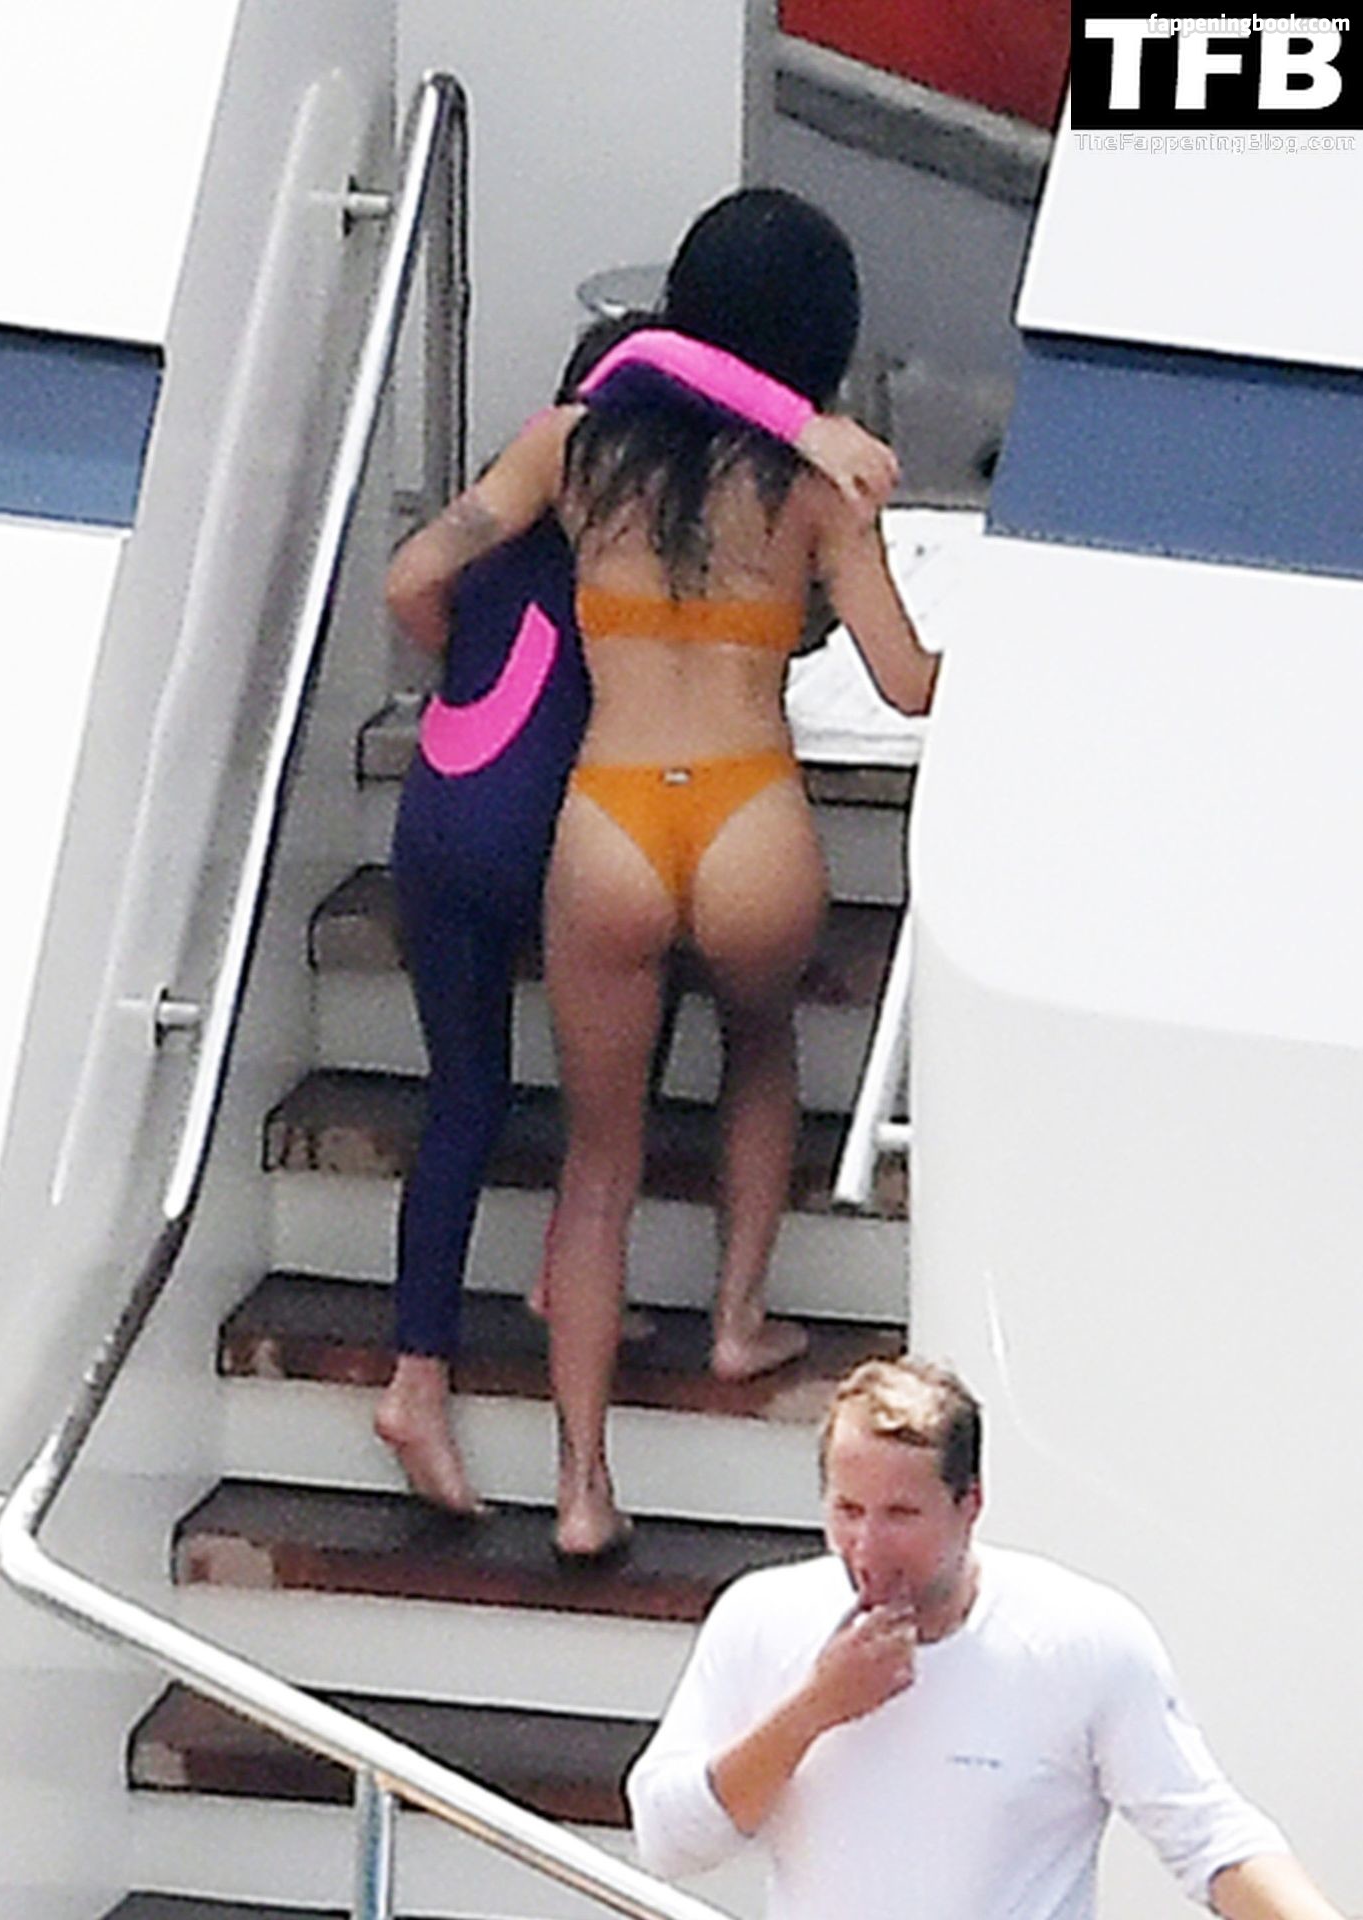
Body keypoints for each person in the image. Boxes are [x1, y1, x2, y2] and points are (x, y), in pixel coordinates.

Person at [378, 309, 903, 1514]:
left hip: (517, 817)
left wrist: (454, 661)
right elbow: (904, 680)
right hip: (710, 810)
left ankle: (554, 1468)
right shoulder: (776, 498)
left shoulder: (560, 480)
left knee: (553, 1139)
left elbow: (412, 574)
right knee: (751, 1038)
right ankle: (736, 1316)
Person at [628, 1354, 1343, 1920]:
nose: (866, 1547)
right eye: (847, 1510)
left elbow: (1211, 1837)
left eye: (900, 1515)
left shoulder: (1080, 1639)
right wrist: (814, 1710)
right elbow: (666, 1840)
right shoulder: (761, 1617)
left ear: (969, 1503)